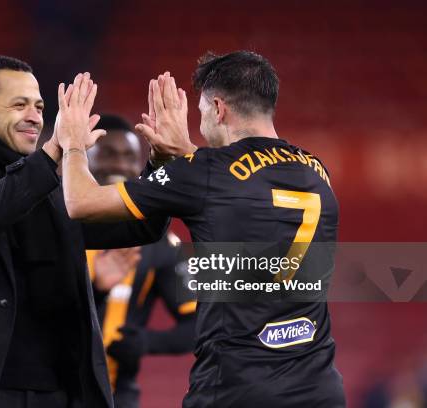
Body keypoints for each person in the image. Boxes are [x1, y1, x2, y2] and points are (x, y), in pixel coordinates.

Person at [55, 50, 345, 408]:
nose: (201, 122)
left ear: (219, 109)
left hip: (236, 388)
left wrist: (70, 143)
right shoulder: (316, 171)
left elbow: (80, 203)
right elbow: (236, 185)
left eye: (203, 112)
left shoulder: (203, 171)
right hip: (319, 388)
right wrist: (182, 156)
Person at [0, 55, 170, 408]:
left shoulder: (53, 188)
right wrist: (50, 156)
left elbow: (138, 225)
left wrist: (163, 166)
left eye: (40, 106)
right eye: (19, 105)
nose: (35, 116)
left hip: (61, 393)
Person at [85, 114, 196, 408]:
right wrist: (95, 288)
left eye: (130, 157)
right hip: (46, 393)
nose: (119, 165)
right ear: (84, 159)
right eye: (108, 154)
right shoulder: (53, 225)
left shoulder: (158, 241)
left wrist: (145, 342)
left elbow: (199, 324)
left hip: (118, 397)